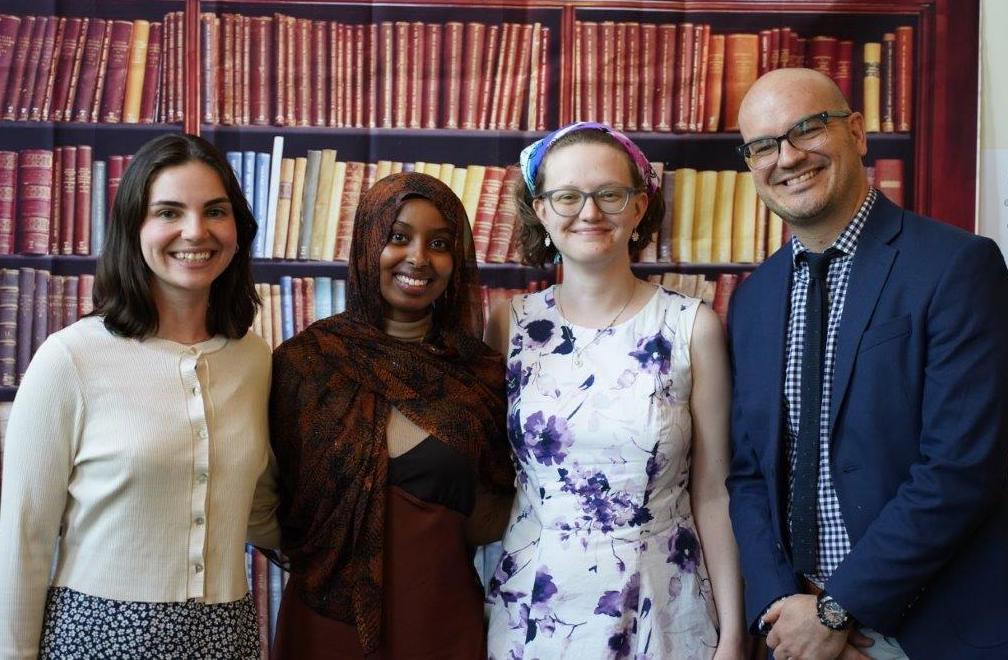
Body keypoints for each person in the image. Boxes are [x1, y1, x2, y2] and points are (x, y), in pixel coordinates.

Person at [726, 67, 1008, 660]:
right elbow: (750, 476)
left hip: (933, 627)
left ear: (856, 132)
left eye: (807, 128)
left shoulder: (959, 267)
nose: (788, 156)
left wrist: (838, 609)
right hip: (799, 630)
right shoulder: (752, 300)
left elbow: (960, 467)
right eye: (764, 145)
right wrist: (784, 610)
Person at [0, 133, 278, 658]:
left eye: (215, 211)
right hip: (96, 636)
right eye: (169, 211)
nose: (195, 231)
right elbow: (24, 538)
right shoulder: (70, 360)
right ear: (134, 228)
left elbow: (258, 508)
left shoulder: (255, 360)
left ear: (238, 229)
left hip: (227, 637)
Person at [484, 122, 745, 659]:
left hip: (665, 605)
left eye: (610, 194)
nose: (589, 212)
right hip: (535, 607)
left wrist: (735, 635)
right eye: (567, 196)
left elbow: (714, 492)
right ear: (541, 211)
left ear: (640, 206)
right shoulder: (506, 324)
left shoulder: (691, 327)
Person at [268, 171, 515, 659]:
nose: (419, 258)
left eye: (440, 243)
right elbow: (270, 503)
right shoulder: (306, 363)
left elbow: (494, 511)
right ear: (366, 242)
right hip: (325, 620)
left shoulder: (479, 372)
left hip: (439, 621)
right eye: (397, 237)